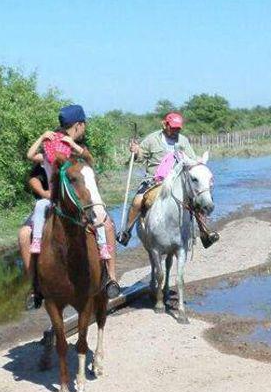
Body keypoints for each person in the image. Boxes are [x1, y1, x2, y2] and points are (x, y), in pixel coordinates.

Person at [19, 104, 120, 309]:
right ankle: (34, 285)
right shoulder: (51, 149)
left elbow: (89, 160)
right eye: (84, 125)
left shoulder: (79, 149)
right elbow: (32, 164)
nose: (84, 129)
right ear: (78, 124)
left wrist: (73, 146)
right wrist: (42, 138)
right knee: (24, 234)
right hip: (55, 200)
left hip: (80, 199)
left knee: (107, 225)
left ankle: (110, 276)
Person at [116, 112, 220, 248]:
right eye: (173, 127)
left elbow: (191, 159)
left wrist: (198, 161)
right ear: (165, 125)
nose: (175, 130)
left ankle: (204, 233)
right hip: (154, 180)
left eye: (178, 128)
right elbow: (141, 156)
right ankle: (126, 232)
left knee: (197, 200)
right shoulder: (152, 139)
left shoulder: (183, 141)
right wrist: (136, 152)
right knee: (137, 201)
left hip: (178, 181)